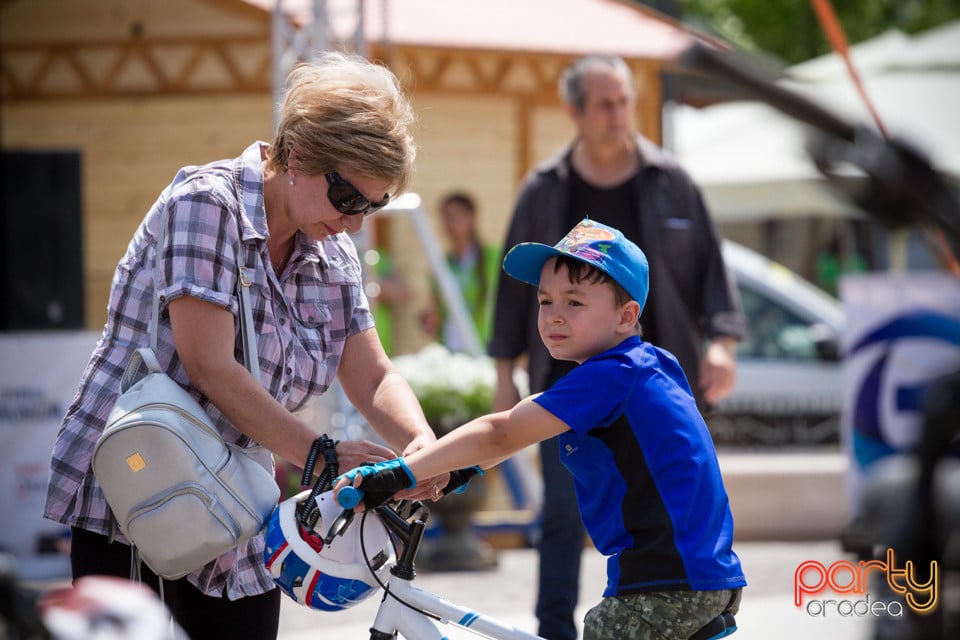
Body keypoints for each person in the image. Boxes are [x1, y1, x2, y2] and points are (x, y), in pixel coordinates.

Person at [42, 52, 446, 640]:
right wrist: (322, 455)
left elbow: (374, 376)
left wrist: (420, 447)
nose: (355, 222)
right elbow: (208, 366)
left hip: (233, 509)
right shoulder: (206, 204)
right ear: (300, 154)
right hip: (139, 497)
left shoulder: (331, 251)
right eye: (349, 199)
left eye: (372, 206)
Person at [335, 219, 746, 640]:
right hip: (704, 576)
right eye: (545, 301)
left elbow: (502, 431)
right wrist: (457, 472)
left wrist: (401, 471)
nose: (554, 316)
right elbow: (523, 430)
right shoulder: (647, 365)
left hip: (665, 585)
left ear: (626, 316)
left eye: (574, 303)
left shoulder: (611, 376)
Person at [488, 54, 746, 640]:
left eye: (624, 100)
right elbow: (513, 295)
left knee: (667, 506)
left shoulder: (671, 179)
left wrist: (723, 342)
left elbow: (711, 267)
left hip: (654, 377)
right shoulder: (544, 187)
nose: (617, 114)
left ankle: (682, 604)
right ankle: (555, 628)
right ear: (574, 111)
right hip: (567, 386)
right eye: (604, 103)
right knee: (561, 515)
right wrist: (505, 370)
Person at [420, 191, 501, 352]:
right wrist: (430, 320)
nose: (449, 224)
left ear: (471, 217)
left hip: (484, 349)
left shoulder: (494, 259)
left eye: (455, 217)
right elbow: (435, 312)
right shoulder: (442, 265)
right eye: (445, 218)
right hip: (450, 352)